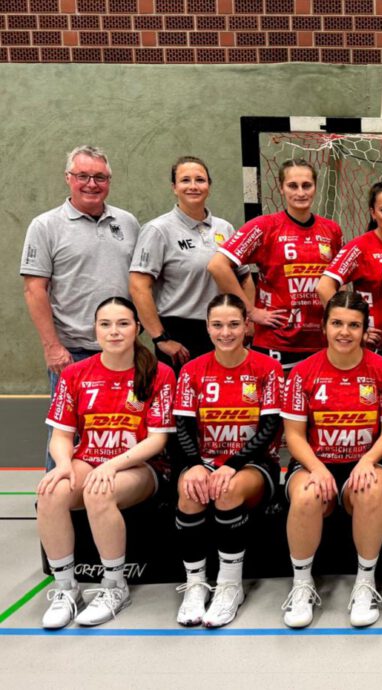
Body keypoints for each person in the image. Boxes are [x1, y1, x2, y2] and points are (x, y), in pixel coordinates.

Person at [36, 297, 175, 629]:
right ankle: (66, 588)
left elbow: (157, 440)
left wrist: (112, 466)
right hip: (90, 459)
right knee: (51, 493)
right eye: (106, 324)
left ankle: (114, 586)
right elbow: (61, 435)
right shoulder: (75, 373)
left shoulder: (159, 372)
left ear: (137, 329)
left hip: (143, 466)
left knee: (99, 492)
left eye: (123, 324)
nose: (114, 331)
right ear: (95, 330)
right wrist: (63, 464)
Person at [279, 291, 382, 629]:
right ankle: (302, 585)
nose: (344, 332)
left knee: (369, 490)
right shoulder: (303, 372)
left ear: (364, 331)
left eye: (353, 325)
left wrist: (369, 460)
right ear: (324, 326)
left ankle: (365, 583)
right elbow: (294, 436)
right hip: (315, 461)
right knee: (307, 495)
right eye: (337, 323)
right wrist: (317, 468)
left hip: (366, 460)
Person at [21, 145, 141, 470]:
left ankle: (109, 496)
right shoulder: (45, 225)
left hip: (122, 352)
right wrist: (52, 347)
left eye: (100, 177)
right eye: (83, 176)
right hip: (72, 354)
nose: (91, 184)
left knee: (118, 433)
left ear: (109, 181)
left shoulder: (128, 223)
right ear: (68, 178)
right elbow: (34, 290)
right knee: (66, 435)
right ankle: (59, 495)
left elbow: (140, 283)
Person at [171, 294, 283, 628]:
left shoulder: (268, 368)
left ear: (247, 326)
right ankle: (195, 585)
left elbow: (269, 427)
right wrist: (194, 464)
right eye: (217, 325)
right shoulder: (192, 370)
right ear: (207, 328)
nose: (226, 332)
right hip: (204, 460)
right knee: (190, 492)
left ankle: (230, 586)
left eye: (234, 324)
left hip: (253, 463)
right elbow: (182, 427)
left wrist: (232, 465)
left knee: (227, 491)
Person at [207, 159, 342, 371]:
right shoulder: (264, 226)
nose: (300, 192)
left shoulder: (332, 230)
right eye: (292, 186)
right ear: (281, 188)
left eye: (306, 185)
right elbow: (217, 266)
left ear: (315, 187)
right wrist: (251, 311)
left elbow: (336, 283)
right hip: (277, 339)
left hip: (321, 340)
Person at [131, 156, 253, 373]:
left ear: (209, 186)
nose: (193, 186)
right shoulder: (158, 230)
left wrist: (248, 321)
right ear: (174, 187)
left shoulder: (224, 228)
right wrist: (160, 338)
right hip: (180, 336)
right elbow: (138, 286)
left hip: (223, 331)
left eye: (200, 180)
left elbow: (244, 276)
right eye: (185, 180)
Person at [317, 182, 382, 374]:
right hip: (371, 346)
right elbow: (324, 287)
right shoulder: (360, 247)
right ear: (373, 213)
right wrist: (354, 329)